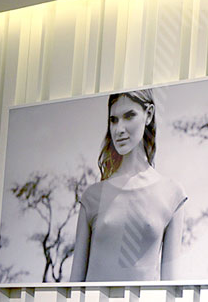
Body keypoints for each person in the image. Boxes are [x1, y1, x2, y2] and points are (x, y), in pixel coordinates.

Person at [70, 89, 186, 282]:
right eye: (113, 120)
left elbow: (171, 284)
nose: (119, 129)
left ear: (149, 115)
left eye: (129, 116)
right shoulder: (92, 196)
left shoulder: (172, 193)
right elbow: (75, 283)